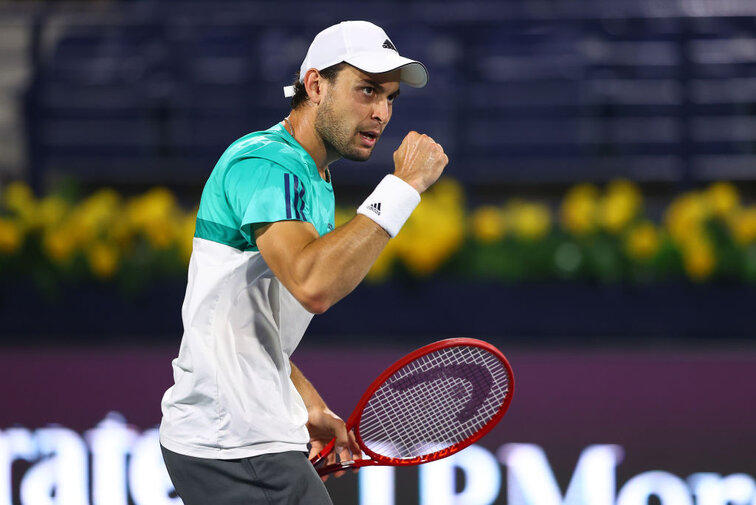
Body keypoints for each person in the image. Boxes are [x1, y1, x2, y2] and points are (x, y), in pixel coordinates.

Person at [159, 20, 448, 505]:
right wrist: (403, 188)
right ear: (316, 85)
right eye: (367, 90)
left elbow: (254, 320)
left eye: (390, 98)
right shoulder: (267, 164)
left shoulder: (310, 176)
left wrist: (305, 402)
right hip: (237, 440)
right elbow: (313, 285)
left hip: (234, 433)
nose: (381, 112)